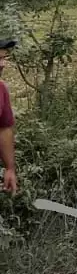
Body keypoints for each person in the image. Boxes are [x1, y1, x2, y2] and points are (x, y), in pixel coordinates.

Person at [1, 37, 16, 195]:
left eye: (3, 58)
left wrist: (10, 168)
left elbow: (4, 129)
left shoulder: (1, 89)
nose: (2, 64)